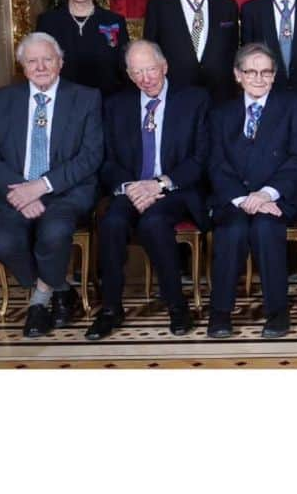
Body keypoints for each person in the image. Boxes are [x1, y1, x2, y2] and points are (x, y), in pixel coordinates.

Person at [0, 32, 103, 337]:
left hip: (65, 191)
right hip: (12, 192)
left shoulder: (86, 98)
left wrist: (42, 186)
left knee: (54, 233)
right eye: (33, 61)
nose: (41, 66)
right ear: (23, 66)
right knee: (2, 242)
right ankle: (61, 288)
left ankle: (39, 304)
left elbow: (91, 156)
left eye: (48, 59)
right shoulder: (1, 99)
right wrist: (22, 190)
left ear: (60, 62)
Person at [86, 40, 210, 340]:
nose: (147, 78)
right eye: (138, 72)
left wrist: (159, 184)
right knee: (112, 221)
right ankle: (111, 309)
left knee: (154, 223)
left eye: (151, 69)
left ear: (164, 67)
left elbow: (202, 157)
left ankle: (177, 306)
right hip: (132, 189)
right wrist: (131, 187)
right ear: (129, 75)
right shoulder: (116, 106)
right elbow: (107, 160)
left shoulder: (194, 100)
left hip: (175, 189)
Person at [206, 43, 297, 339]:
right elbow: (215, 162)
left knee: (266, 229)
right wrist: (244, 199)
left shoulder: (295, 107)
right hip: (234, 198)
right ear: (237, 75)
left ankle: (278, 312)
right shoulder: (220, 113)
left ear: (274, 75)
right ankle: (221, 313)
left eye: (265, 72)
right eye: (251, 72)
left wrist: (267, 194)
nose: (258, 78)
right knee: (233, 231)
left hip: (278, 197)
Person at [143, 0, 240, 104]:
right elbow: (150, 48)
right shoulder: (159, 4)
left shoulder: (227, 5)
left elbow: (234, 47)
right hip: (176, 89)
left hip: (220, 91)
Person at [36, 0, 129, 98]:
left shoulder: (114, 21)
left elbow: (124, 67)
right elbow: (41, 67)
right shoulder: (48, 22)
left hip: (106, 103)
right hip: (63, 102)